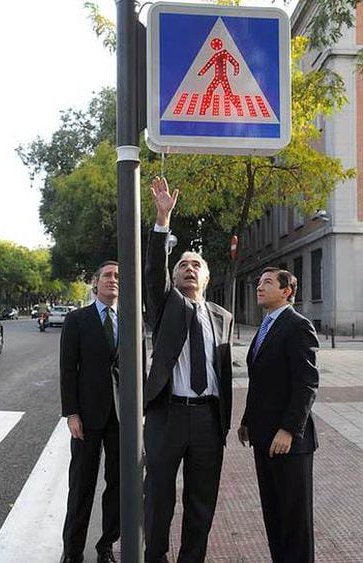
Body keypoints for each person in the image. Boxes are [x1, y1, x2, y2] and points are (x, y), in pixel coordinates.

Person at [144, 177, 233, 563]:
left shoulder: (222, 317)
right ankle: (156, 556)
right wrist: (162, 219)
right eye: (183, 265)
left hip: (209, 421)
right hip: (169, 415)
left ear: (207, 277)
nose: (189, 269)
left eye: (196, 265)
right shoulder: (166, 304)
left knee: (201, 502)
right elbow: (153, 271)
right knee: (159, 495)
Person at [238, 267, 319, 563]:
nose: (260, 287)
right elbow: (261, 380)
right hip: (263, 438)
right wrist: (247, 420)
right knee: (274, 517)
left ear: (287, 291)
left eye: (268, 283)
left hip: (290, 443)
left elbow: (307, 383)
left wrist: (288, 429)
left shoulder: (297, 325)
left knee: (295, 522)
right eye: (259, 282)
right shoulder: (266, 326)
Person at [60, 261, 120, 563]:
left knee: (118, 485)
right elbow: (68, 369)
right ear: (95, 283)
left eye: (118, 276)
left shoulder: (132, 319)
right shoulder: (77, 320)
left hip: (123, 418)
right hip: (87, 416)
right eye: (107, 275)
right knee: (81, 485)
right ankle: (72, 551)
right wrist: (71, 413)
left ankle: (106, 545)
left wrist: (142, 411)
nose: (113, 280)